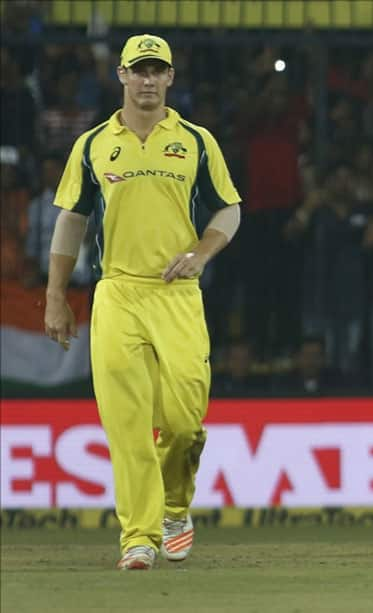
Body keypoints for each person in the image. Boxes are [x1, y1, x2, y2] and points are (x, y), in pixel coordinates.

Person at [43, 34, 241, 570]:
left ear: (171, 78)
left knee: (184, 423)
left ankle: (175, 507)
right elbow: (71, 220)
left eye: (158, 71)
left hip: (177, 295)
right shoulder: (92, 144)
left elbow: (229, 211)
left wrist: (202, 252)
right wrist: (56, 295)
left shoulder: (197, 140)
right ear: (122, 77)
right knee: (127, 423)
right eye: (139, 70)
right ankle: (138, 535)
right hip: (117, 293)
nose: (149, 80)